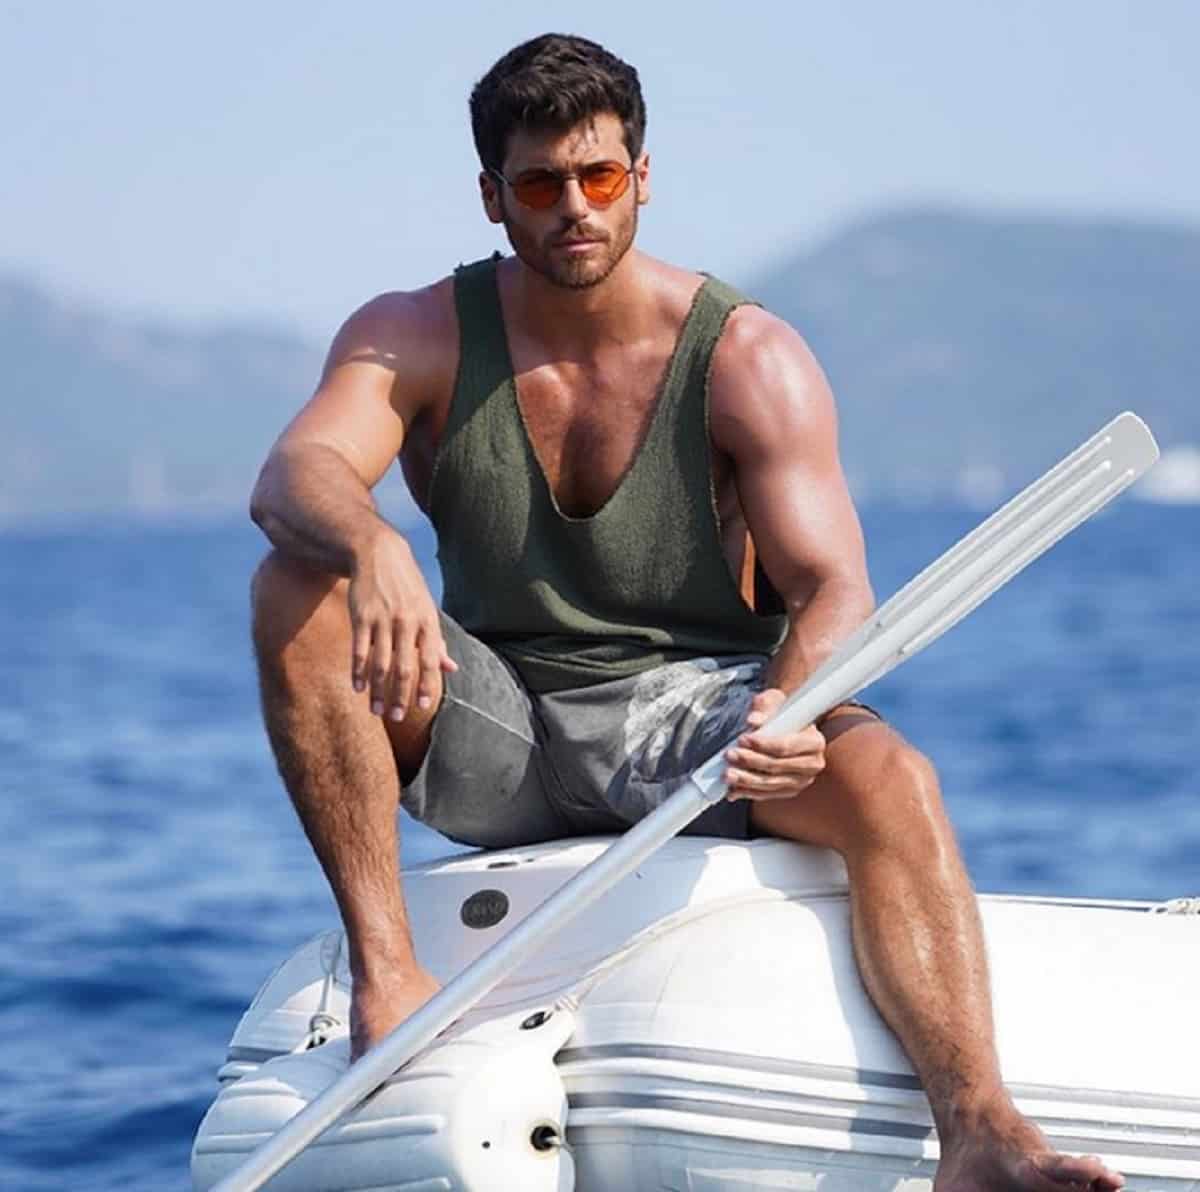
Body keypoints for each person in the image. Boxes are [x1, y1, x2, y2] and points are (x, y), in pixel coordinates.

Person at [249, 33, 1123, 1192]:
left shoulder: (745, 355)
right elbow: (293, 474)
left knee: (894, 777)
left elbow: (834, 586)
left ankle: (980, 1131)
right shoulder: (416, 335)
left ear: (643, 178)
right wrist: (371, 543)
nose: (575, 206)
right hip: (497, 727)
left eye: (599, 175)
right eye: (540, 184)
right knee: (294, 581)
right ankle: (389, 976)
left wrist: (790, 704)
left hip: (702, 726)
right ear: (492, 196)